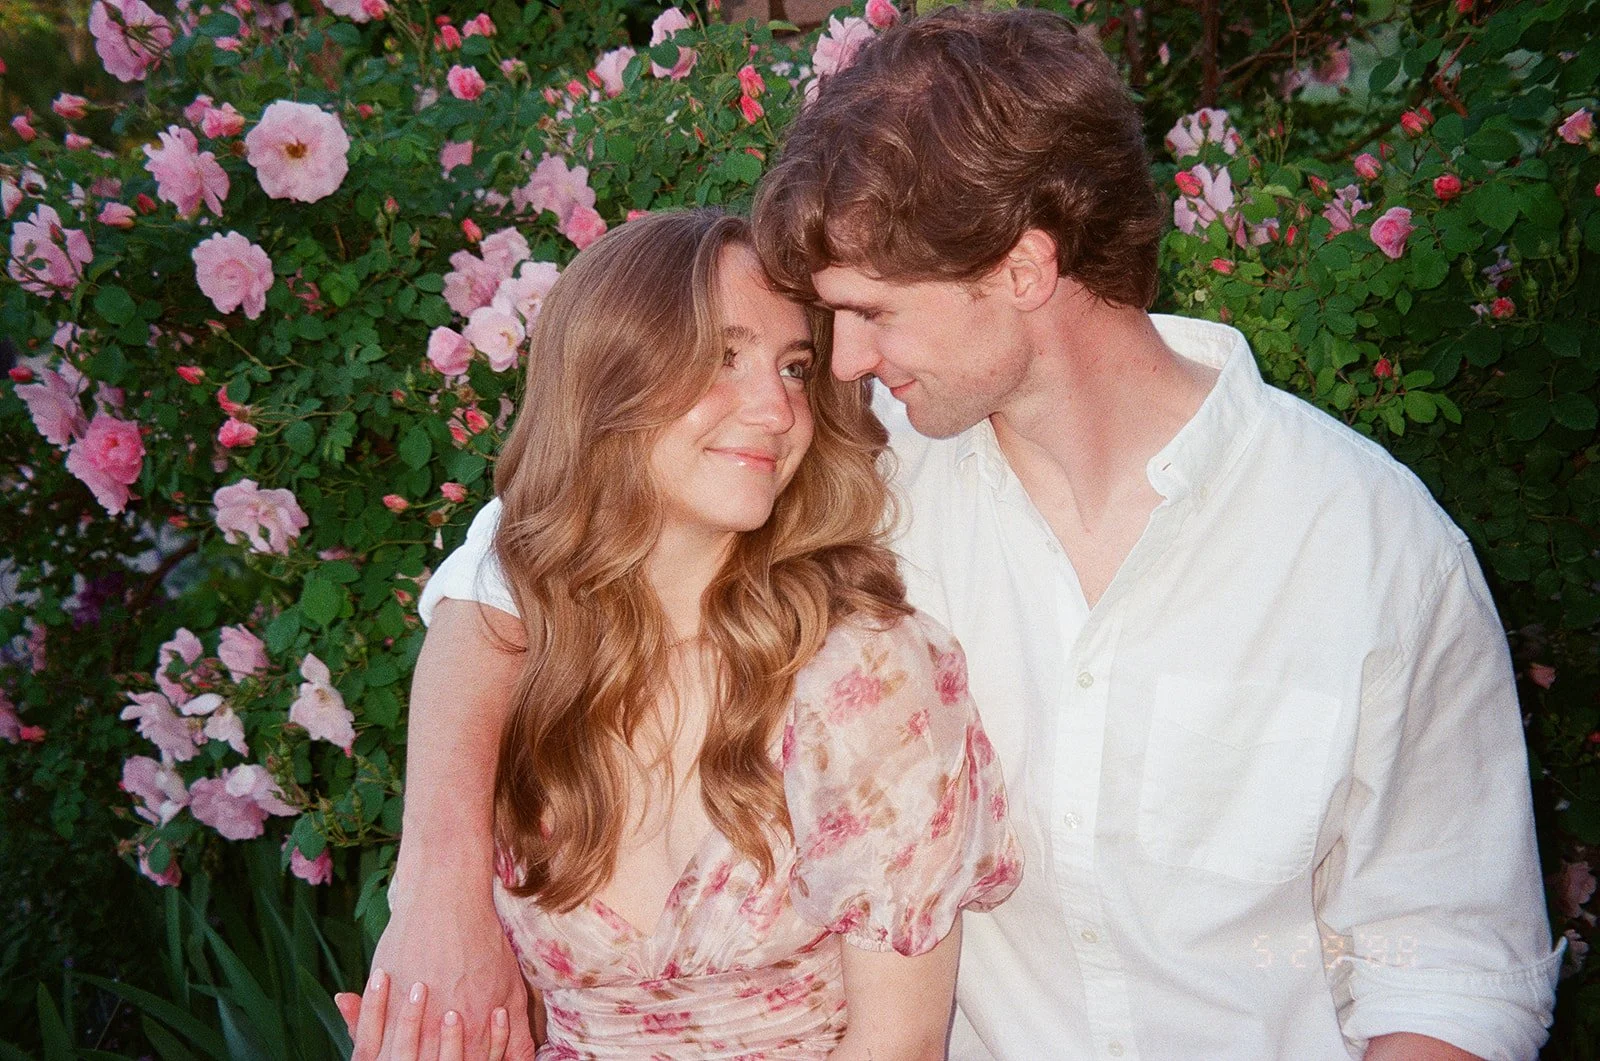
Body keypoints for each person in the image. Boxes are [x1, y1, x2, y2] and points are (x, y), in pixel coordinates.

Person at [351, 7, 1560, 1060]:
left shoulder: (1369, 544)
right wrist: (441, 883)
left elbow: (1455, 965)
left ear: (1024, 268)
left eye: (873, 311)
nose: (845, 360)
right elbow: (518, 556)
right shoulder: (868, 465)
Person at [336, 208, 1020, 1060]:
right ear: (606, 378)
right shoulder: (524, 654)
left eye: (794, 367)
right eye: (724, 357)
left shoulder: (855, 673)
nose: (776, 409)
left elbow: (900, 1043)